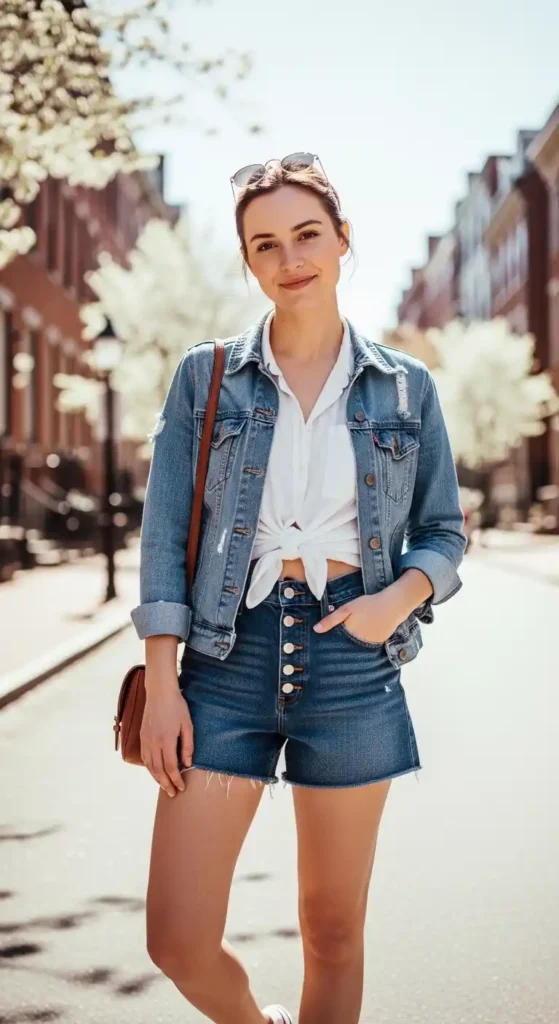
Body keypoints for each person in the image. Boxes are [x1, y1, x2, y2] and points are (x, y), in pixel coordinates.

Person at [130, 153, 467, 1024]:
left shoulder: (404, 387)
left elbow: (442, 531)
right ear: (248, 261)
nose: (290, 259)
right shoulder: (206, 380)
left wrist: (395, 602)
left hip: (351, 665)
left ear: (343, 238)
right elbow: (165, 535)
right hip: (222, 659)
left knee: (332, 933)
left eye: (307, 234)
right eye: (265, 244)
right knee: (177, 938)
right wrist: (162, 684)